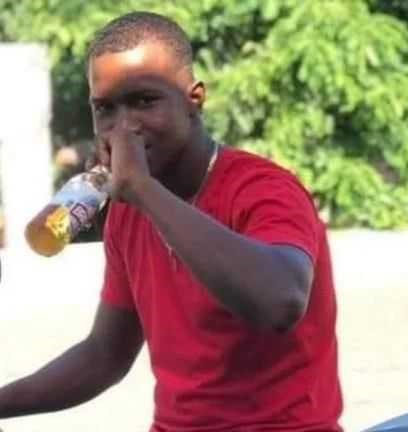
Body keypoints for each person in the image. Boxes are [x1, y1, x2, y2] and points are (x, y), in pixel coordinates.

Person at [0, 11, 343, 431]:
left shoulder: (261, 189)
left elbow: (280, 302)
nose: (124, 128)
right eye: (105, 109)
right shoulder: (128, 210)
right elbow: (104, 355)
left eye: (145, 101)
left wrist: (144, 190)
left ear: (194, 99)